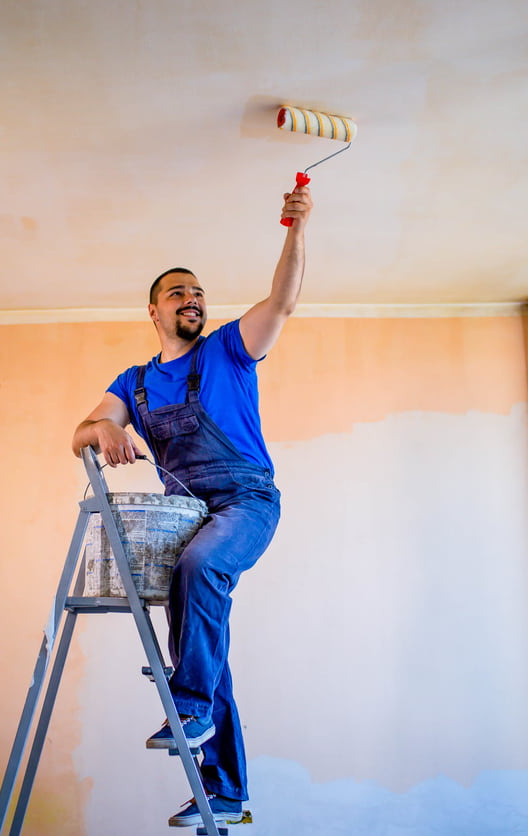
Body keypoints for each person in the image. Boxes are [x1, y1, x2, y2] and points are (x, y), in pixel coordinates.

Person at [70, 183, 313, 828]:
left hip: (247, 501)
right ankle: (226, 788)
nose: (193, 300)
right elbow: (79, 434)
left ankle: (192, 708)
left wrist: (295, 229)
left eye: (198, 292)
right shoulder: (136, 383)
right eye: (178, 292)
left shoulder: (230, 349)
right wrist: (109, 429)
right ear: (153, 310)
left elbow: (283, 300)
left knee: (202, 571)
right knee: (204, 640)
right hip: (186, 519)